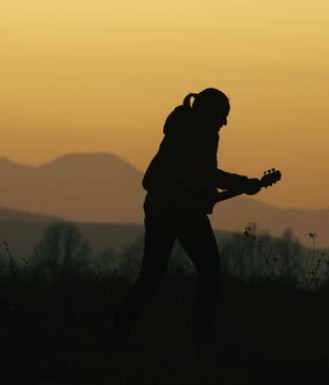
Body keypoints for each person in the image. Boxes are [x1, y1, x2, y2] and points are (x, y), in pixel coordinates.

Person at [104, 88, 262, 346]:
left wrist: (237, 184)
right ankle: (199, 339)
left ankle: (118, 332)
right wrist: (243, 183)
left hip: (169, 209)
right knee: (207, 274)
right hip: (177, 212)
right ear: (211, 113)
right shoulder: (199, 133)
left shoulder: (185, 127)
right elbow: (206, 174)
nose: (225, 122)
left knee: (153, 277)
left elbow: (201, 175)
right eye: (222, 115)